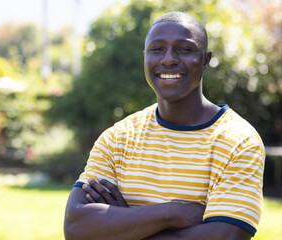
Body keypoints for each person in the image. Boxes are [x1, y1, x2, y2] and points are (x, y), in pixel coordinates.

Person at [64, 11, 265, 240]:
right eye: (157, 49)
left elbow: (227, 236)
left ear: (206, 60)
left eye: (185, 49)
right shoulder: (118, 138)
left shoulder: (239, 142)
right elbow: (76, 228)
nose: (168, 59)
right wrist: (171, 213)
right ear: (145, 58)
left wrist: (123, 223)